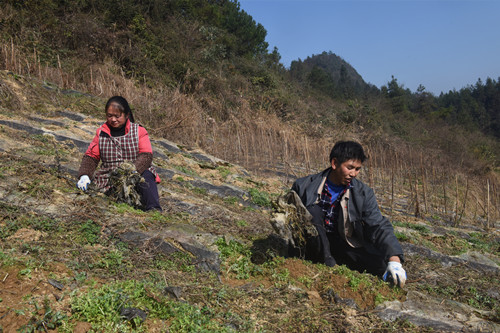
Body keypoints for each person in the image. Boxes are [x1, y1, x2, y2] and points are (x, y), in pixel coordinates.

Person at [291, 141, 406, 287]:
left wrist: (394, 260)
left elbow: (377, 225)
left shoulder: (363, 193)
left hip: (344, 242)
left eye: (358, 169)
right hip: (313, 242)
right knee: (313, 211)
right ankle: (327, 261)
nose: (354, 173)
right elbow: (290, 217)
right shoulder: (303, 185)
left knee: (380, 266)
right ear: (334, 163)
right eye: (350, 168)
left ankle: (334, 258)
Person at [76, 96, 162, 211]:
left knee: (146, 176)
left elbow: (146, 155)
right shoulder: (101, 133)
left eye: (117, 116)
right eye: (109, 116)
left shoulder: (139, 131)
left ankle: (153, 209)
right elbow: (91, 156)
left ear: (126, 115)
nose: (113, 119)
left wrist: (131, 171)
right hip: (109, 177)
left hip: (135, 173)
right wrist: (84, 175)